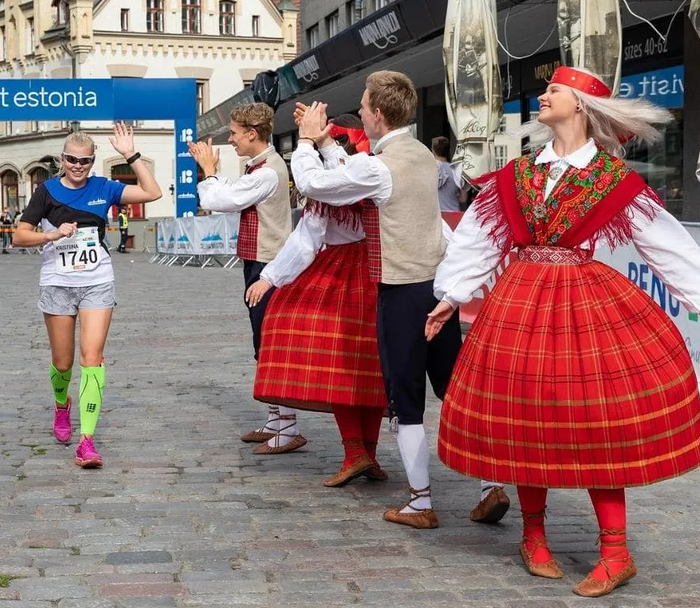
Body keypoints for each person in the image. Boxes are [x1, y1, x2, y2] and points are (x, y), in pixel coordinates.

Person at [426, 66, 700, 597]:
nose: (542, 96)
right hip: (520, 300)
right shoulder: (519, 174)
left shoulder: (612, 179)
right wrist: (450, 295)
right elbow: (477, 236)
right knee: (525, 414)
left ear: (582, 105)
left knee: (596, 419)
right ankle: (534, 536)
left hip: (584, 302)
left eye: (554, 91)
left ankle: (616, 552)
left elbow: (662, 238)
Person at [292, 71, 508, 529]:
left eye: (365, 104)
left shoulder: (379, 165)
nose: (363, 109)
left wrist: (308, 143)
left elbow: (316, 185)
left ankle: (420, 501)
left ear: (377, 114)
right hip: (435, 287)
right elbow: (356, 172)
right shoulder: (423, 157)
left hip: (400, 290)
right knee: (453, 389)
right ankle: (490, 485)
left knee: (405, 400)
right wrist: (330, 143)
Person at [246, 122, 389, 485]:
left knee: (342, 364)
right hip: (380, 270)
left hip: (344, 274)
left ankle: (357, 452)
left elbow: (306, 240)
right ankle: (365, 453)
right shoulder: (374, 176)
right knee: (369, 366)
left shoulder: (333, 189)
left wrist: (270, 277)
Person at [12, 125, 161, 468]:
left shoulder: (104, 187)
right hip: (58, 283)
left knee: (91, 358)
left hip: (97, 281)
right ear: (62, 159)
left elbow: (152, 193)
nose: (78, 165)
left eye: (85, 161)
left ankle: (87, 441)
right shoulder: (46, 191)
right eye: (72, 160)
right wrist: (51, 236)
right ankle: (61, 406)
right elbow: (19, 237)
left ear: (93, 162)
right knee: (62, 363)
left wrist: (130, 155)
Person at [190, 103, 299, 454]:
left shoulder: (267, 172)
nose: (231, 139)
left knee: (269, 344)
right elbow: (234, 191)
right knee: (263, 341)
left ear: (252, 133)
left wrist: (207, 171)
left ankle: (288, 426)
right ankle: (276, 420)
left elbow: (224, 200)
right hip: (261, 261)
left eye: (235, 132)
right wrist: (213, 174)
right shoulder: (262, 166)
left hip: (268, 264)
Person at [432, 136, 464, 212]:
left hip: (436, 215)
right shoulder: (456, 170)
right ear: (449, 151)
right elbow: (463, 199)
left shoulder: (430, 169)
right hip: (453, 214)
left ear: (433, 151)